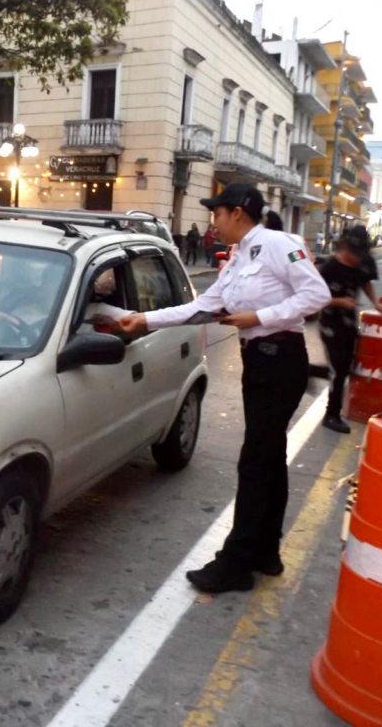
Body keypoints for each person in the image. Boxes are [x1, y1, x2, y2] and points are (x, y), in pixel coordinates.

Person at [118, 183, 331, 594]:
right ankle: (265, 551)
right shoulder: (238, 257)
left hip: (280, 360)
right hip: (259, 361)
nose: (212, 222)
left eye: (216, 213)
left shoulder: (278, 244)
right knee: (269, 458)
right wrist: (144, 320)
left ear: (237, 212)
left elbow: (316, 294)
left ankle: (236, 563)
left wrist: (260, 317)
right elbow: (203, 306)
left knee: (255, 462)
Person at [317, 226, 382, 433]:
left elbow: (365, 282)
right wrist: (339, 301)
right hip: (330, 322)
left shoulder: (365, 261)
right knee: (339, 369)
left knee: (347, 367)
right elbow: (313, 299)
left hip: (349, 321)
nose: (358, 259)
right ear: (345, 248)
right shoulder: (329, 268)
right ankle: (331, 415)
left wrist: (376, 303)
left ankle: (308, 371)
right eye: (354, 254)